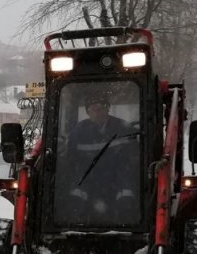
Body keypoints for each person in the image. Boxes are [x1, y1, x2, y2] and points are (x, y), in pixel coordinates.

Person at [57, 86, 138, 223]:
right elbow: (71, 160)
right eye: (93, 109)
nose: (97, 112)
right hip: (87, 177)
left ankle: (126, 223)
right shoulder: (79, 132)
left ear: (108, 109)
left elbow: (133, 159)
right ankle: (74, 225)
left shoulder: (123, 129)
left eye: (101, 108)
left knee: (126, 200)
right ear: (88, 112)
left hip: (117, 178)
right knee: (74, 201)